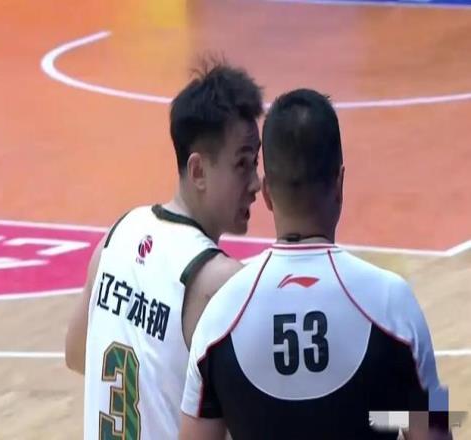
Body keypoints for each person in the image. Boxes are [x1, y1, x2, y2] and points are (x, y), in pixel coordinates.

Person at [180, 89, 449, 440]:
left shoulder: (219, 317)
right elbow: (435, 430)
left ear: (267, 193)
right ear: (339, 183)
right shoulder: (394, 303)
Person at [64, 60, 263, 439]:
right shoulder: (220, 281)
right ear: (198, 170)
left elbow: (77, 353)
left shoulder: (118, 234)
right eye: (242, 164)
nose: (255, 182)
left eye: (255, 162)